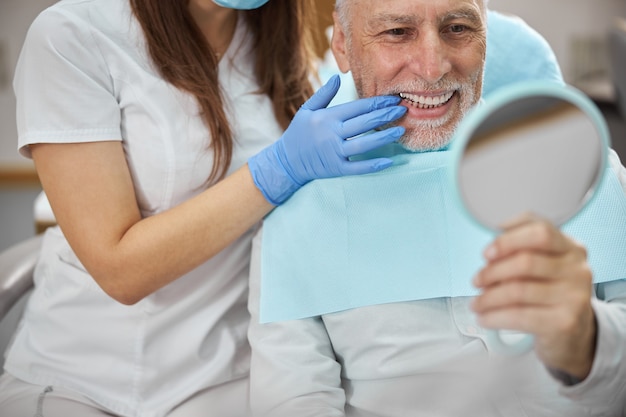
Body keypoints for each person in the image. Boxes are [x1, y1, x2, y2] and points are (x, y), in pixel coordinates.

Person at [0, 0, 408, 416]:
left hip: (227, 375)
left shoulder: (273, 37)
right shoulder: (72, 35)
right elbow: (118, 269)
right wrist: (277, 169)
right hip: (87, 380)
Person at [247, 0, 626, 416]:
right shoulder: (299, 211)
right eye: (396, 32)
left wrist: (586, 341)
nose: (433, 68)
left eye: (458, 28)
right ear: (342, 43)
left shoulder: (583, 170)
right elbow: (292, 401)